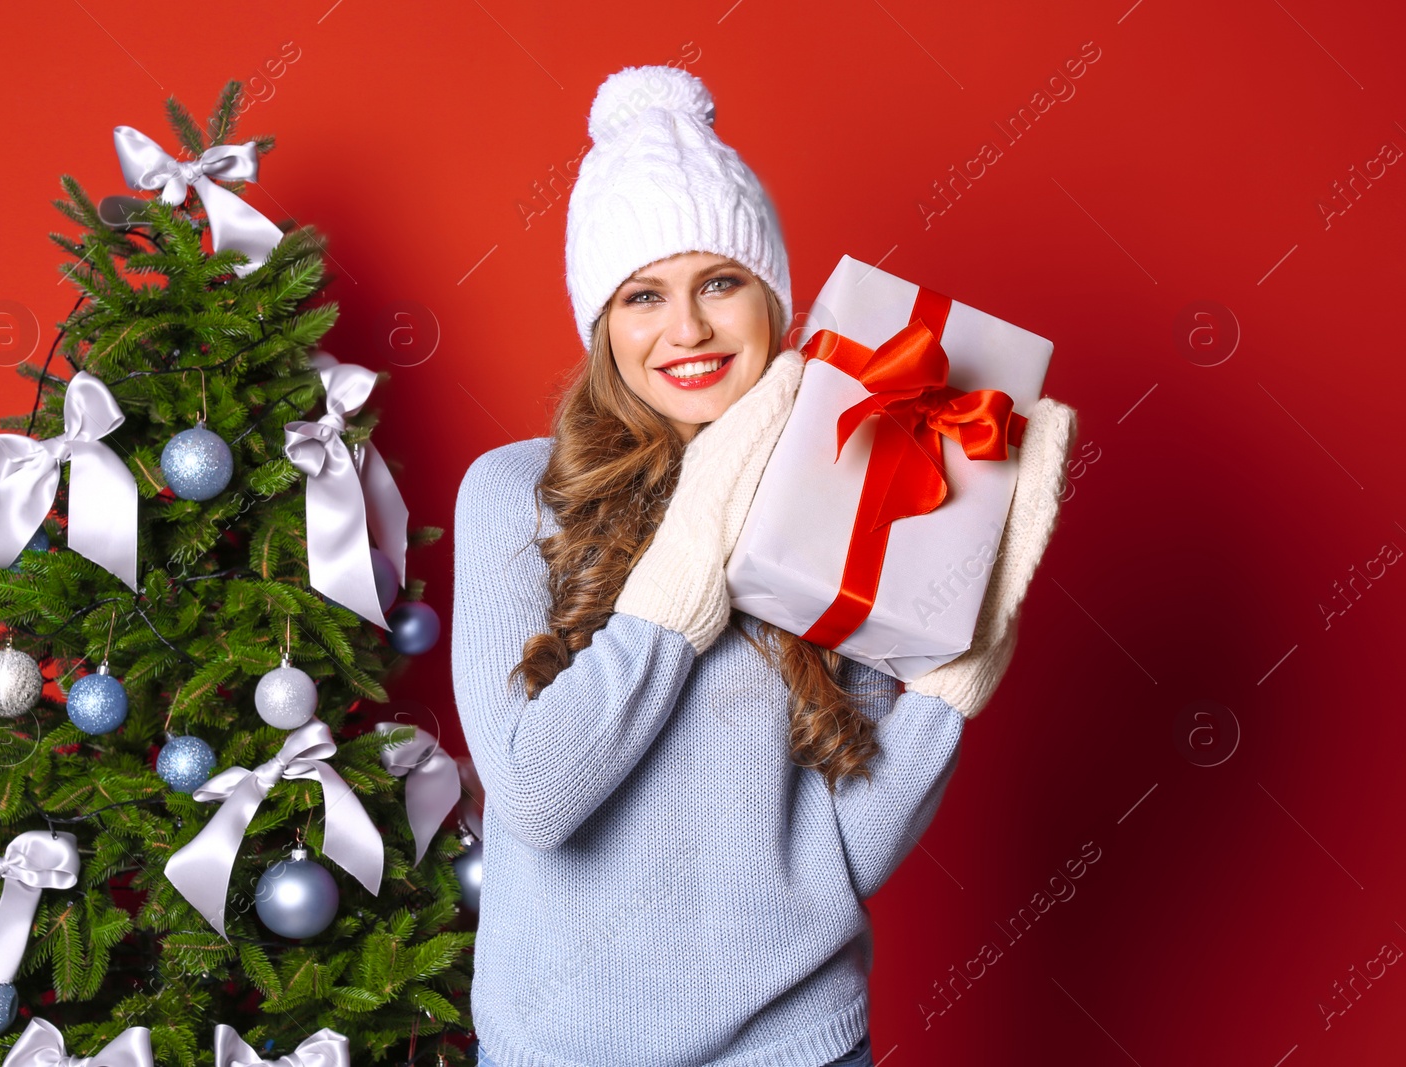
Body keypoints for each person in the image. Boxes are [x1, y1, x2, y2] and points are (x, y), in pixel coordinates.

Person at [452, 64, 1076, 1067]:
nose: (687, 328)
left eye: (721, 282)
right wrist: (684, 577)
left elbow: (840, 856)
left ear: (770, 298)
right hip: (558, 1046)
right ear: (602, 323)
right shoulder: (515, 493)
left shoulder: (849, 490)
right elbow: (533, 796)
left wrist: (944, 689)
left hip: (793, 1046)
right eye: (643, 294)